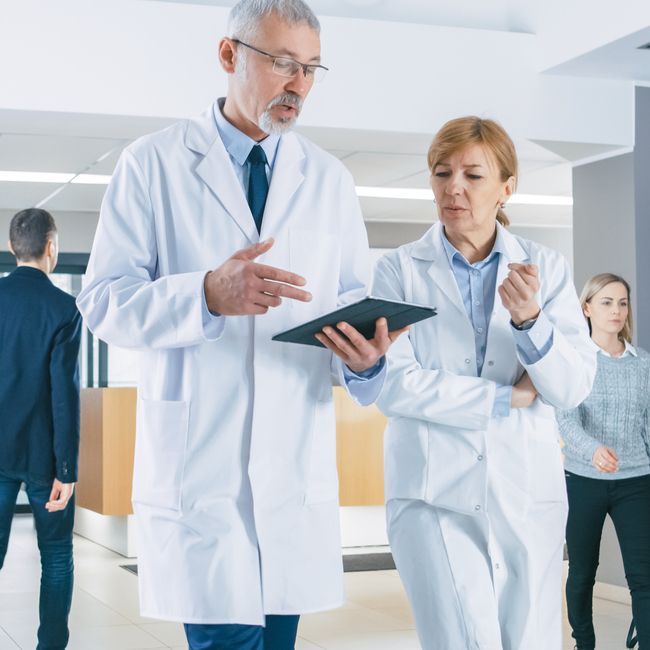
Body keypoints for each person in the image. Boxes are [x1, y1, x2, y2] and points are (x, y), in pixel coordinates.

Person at [76, 1, 404, 648]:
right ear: (229, 56)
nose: (299, 86)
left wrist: (366, 358)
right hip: (203, 475)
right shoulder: (153, 164)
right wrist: (203, 293)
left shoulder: (329, 180)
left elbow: (347, 310)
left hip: (291, 480)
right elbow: (103, 302)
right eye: (283, 63)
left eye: (311, 69)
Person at [371, 116, 597, 650]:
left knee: (530, 640)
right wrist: (507, 397)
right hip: (432, 491)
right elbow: (394, 386)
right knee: (462, 640)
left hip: (524, 490)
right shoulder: (398, 270)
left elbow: (570, 387)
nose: (454, 188)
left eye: (473, 175)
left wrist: (530, 322)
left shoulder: (546, 269)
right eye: (441, 172)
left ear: (506, 187)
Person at [0, 208, 81, 650]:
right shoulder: (65, 308)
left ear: (13, 247)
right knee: (55, 558)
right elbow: (63, 397)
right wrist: (67, 470)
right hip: (43, 458)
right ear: (51, 247)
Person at [556, 273, 650, 650]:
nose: (616, 310)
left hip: (637, 480)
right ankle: (584, 644)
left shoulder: (642, 364)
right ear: (587, 308)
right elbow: (565, 417)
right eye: (607, 302)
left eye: (622, 302)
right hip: (583, 480)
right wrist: (593, 450)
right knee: (581, 572)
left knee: (644, 575)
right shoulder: (575, 362)